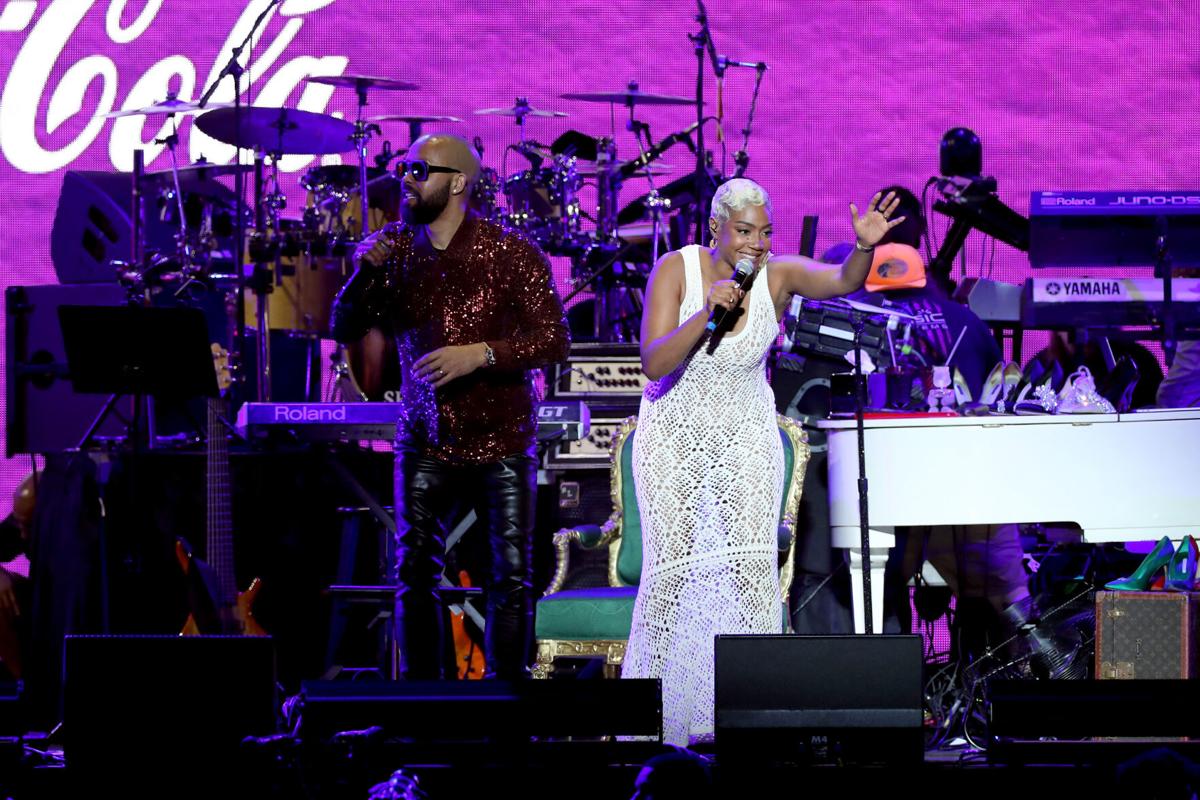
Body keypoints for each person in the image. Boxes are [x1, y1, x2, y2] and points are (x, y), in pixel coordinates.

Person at [623, 177, 904, 744]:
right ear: (715, 229)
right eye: (744, 231)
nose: (757, 243)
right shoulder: (677, 271)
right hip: (675, 438)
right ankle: (662, 721)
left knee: (747, 572)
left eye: (765, 231)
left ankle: (744, 715)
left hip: (747, 439)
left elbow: (842, 279)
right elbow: (654, 363)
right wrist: (706, 315)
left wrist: (865, 247)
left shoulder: (776, 275)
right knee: (673, 575)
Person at [331, 134, 570, 680]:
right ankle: (426, 703)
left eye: (420, 170)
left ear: (458, 183)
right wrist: (363, 271)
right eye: (403, 169)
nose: (406, 180)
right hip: (425, 433)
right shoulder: (393, 252)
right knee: (414, 572)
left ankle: (505, 702)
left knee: (509, 576)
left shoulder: (509, 252)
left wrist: (480, 354)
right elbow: (343, 327)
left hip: (502, 435)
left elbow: (554, 339)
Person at [0, 472, 35, 679]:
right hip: (40, 605)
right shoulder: (26, 512)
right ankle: (25, 685)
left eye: (28, 526)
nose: (22, 534)